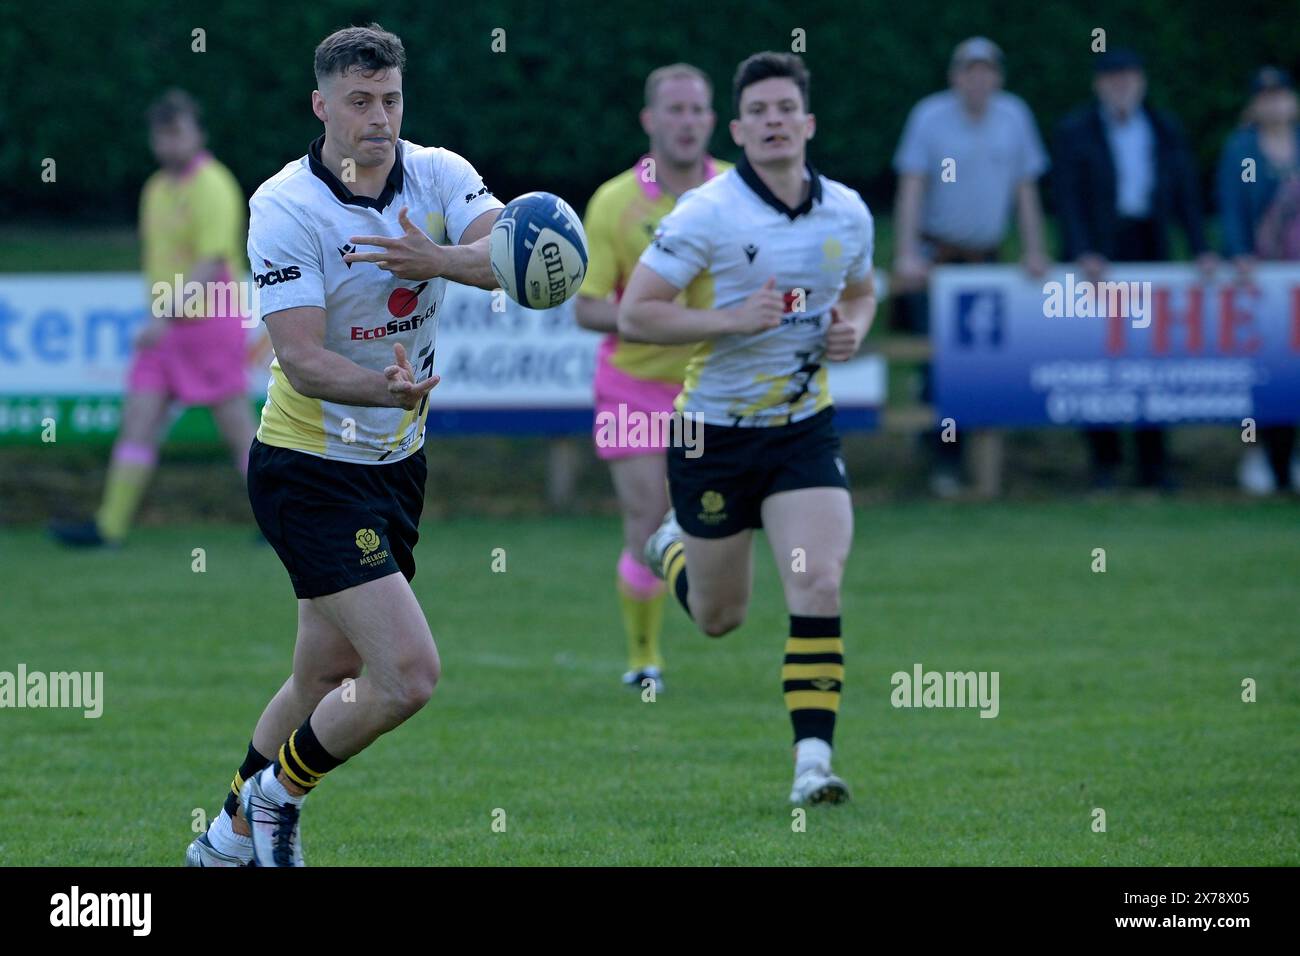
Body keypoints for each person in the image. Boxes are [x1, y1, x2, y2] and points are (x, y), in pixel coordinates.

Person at [185, 23, 504, 866]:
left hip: (397, 464)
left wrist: (431, 255)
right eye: (359, 102)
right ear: (320, 105)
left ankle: (222, 841)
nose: (379, 118)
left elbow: (509, 257)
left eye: (391, 99)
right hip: (309, 468)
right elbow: (301, 358)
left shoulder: (440, 174)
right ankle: (277, 799)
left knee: (321, 680)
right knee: (407, 674)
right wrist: (384, 388)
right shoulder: (285, 206)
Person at [619, 52, 876, 805]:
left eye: (783, 109)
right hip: (711, 434)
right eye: (757, 112)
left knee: (818, 582)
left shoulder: (849, 212)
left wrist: (852, 329)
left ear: (807, 123)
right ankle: (670, 548)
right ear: (738, 128)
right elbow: (638, 313)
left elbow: (861, 293)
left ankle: (813, 764)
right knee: (720, 617)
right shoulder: (707, 212)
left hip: (802, 429)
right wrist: (730, 320)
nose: (771, 122)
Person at [575, 63, 729, 694]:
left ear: (713, 121)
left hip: (716, 388)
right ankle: (645, 659)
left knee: (712, 521)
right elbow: (586, 307)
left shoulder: (738, 196)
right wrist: (662, 320)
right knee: (647, 519)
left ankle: (711, 603)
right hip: (632, 384)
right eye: (675, 110)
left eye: (697, 110)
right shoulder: (616, 201)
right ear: (649, 120)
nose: (687, 122)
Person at [50, 90, 254, 547]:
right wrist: (162, 317)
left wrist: (165, 315)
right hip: (165, 326)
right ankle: (109, 527)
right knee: (138, 420)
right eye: (161, 135)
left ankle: (280, 523)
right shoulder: (155, 189)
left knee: (237, 427)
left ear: (197, 133)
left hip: (210, 323)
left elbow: (212, 264)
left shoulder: (213, 184)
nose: (168, 144)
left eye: (177, 132)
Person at [891, 36, 1051, 496]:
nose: (978, 79)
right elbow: (912, 186)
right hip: (938, 260)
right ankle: (942, 460)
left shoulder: (1014, 116)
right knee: (936, 363)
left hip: (988, 260)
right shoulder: (929, 117)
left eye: (987, 71)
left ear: (998, 77)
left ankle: (987, 466)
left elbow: (1025, 189)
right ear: (955, 75)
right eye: (969, 70)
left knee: (987, 364)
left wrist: (1034, 249)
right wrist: (905, 253)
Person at [1054, 47, 1217, 490]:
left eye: (1127, 76)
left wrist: (1200, 248)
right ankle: (1104, 461)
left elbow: (1185, 194)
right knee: (1097, 355)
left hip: (1150, 243)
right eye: (1111, 78)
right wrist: (1081, 249)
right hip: (1102, 251)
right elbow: (1067, 198)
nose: (1120, 86)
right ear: (1098, 84)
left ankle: (1154, 462)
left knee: (1151, 355)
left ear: (1141, 81)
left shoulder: (1164, 128)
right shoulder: (1077, 130)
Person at [1217, 66, 1300, 494]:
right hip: (1262, 284)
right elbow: (1231, 207)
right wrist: (1240, 255)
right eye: (1265, 96)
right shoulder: (1243, 149)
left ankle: (1294, 458)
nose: (1274, 103)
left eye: (1280, 94)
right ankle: (1260, 455)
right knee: (1265, 369)